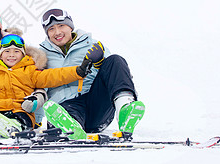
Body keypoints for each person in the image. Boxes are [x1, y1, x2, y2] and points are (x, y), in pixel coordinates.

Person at [39, 8, 145, 139]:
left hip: (95, 105)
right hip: (65, 106)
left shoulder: (91, 45)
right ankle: (70, 127)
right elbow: (37, 86)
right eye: (51, 29)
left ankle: (125, 108)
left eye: (61, 26)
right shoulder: (41, 55)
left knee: (115, 60)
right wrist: (35, 121)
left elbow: (115, 75)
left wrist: (100, 63)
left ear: (70, 26)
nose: (57, 32)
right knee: (60, 110)